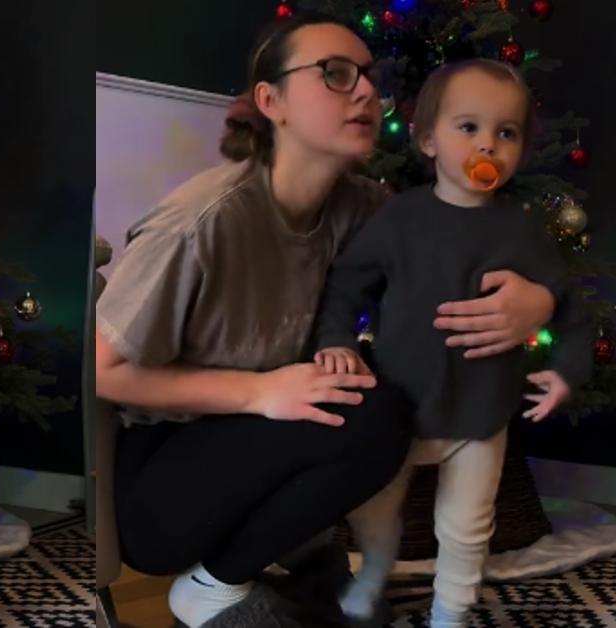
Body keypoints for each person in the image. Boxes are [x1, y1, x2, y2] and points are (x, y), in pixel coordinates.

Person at [94, 12, 559, 628]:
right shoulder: (201, 221)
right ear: (272, 100)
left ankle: (293, 559)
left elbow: (459, 245)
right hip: (161, 485)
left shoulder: (365, 206)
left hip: (261, 439)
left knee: (372, 394)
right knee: (371, 416)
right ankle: (210, 587)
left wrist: (538, 301)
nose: (366, 91)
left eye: (369, 77)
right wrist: (258, 392)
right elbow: (104, 371)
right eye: (335, 75)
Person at [314, 59, 594, 628]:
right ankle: (372, 574)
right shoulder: (400, 218)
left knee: (468, 525)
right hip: (398, 406)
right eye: (468, 127)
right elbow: (346, 282)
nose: (487, 144)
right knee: (373, 512)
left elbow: (569, 307)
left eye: (505, 133)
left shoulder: (519, 230)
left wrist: (566, 371)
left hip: (480, 413)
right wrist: (337, 340)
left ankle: (451, 611)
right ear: (427, 140)